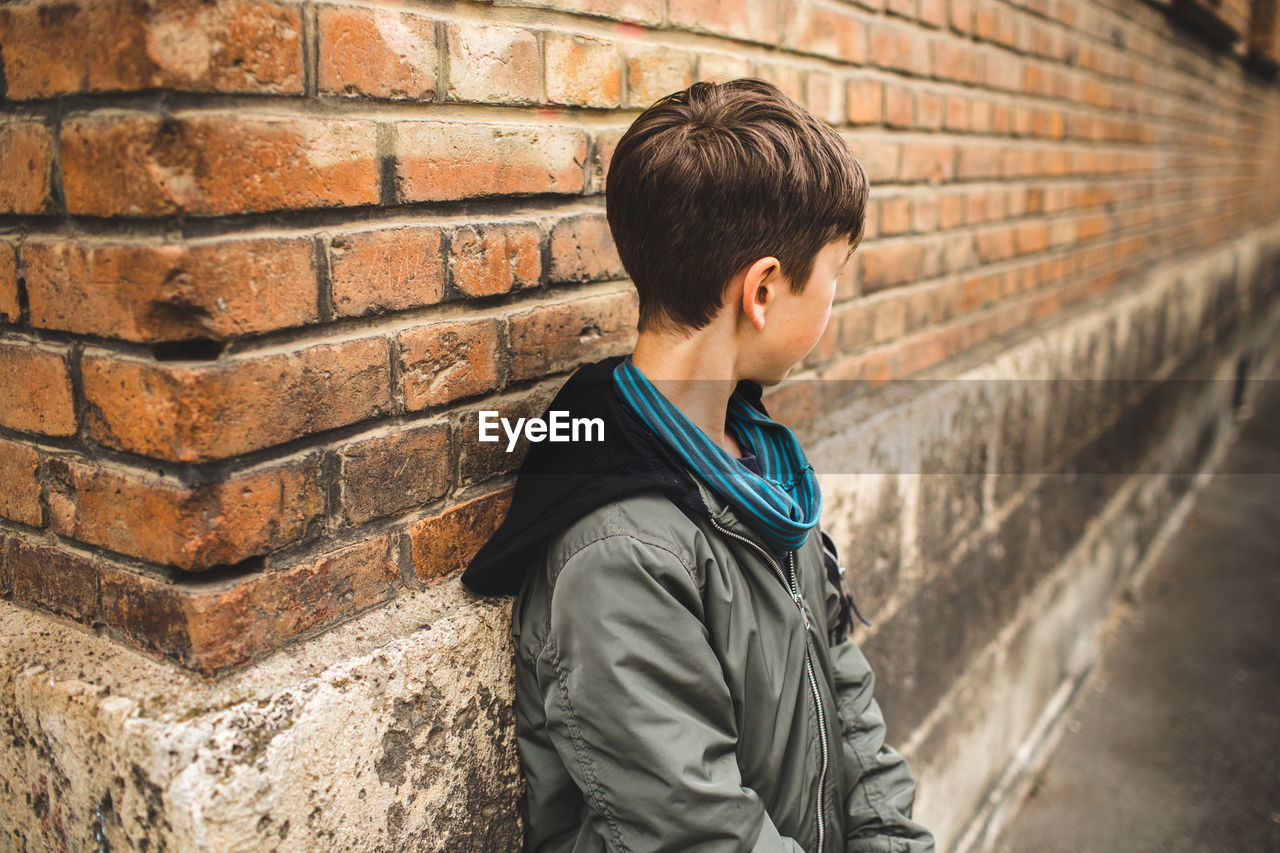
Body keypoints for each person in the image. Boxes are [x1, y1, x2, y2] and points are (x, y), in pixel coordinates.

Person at [461, 78, 935, 853]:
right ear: (764, 289)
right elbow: (700, 831)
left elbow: (845, 695)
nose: (836, 297)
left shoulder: (758, 463)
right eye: (835, 271)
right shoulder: (622, 553)